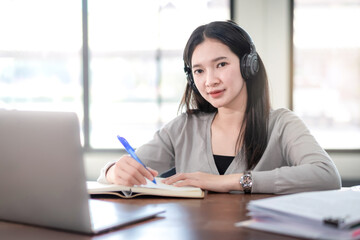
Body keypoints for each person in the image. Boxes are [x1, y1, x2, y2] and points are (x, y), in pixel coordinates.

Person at [98, 20, 341, 194]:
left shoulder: (281, 124)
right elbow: (116, 174)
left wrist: (230, 182)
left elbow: (327, 176)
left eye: (221, 64)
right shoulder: (184, 127)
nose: (209, 80)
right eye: (199, 71)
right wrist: (113, 171)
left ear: (249, 66)